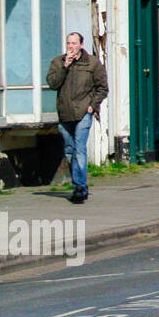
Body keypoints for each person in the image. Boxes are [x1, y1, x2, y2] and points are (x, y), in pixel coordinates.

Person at [46, 32, 109, 205]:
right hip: (65, 113)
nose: (71, 46)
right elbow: (52, 84)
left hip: (83, 112)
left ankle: (79, 188)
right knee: (69, 150)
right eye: (68, 43)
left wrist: (93, 106)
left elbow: (103, 88)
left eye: (74, 43)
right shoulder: (58, 62)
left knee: (79, 149)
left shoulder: (92, 63)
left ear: (81, 44)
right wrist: (65, 66)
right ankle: (81, 185)